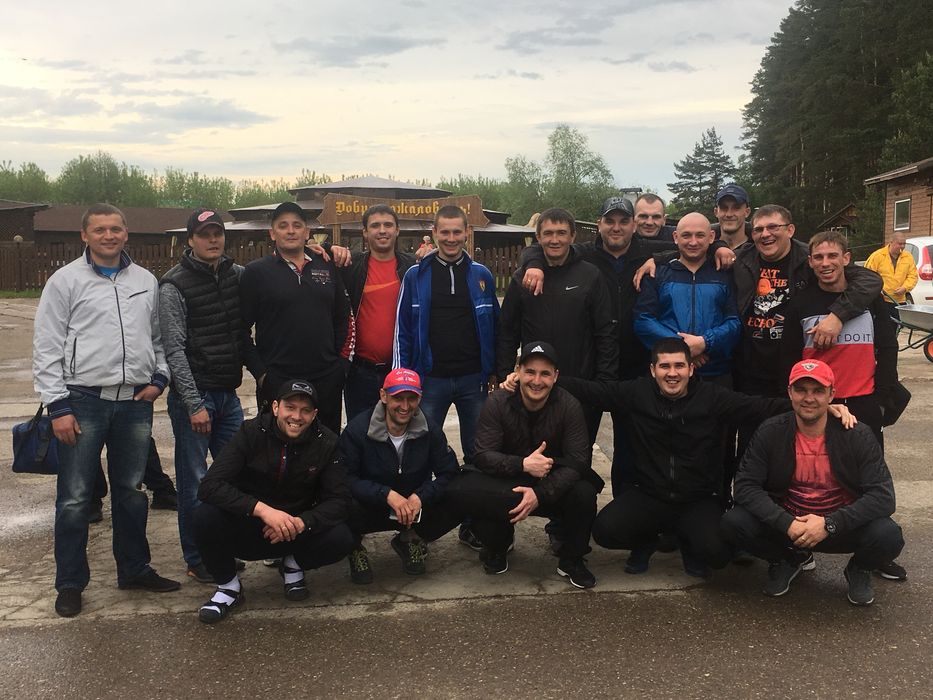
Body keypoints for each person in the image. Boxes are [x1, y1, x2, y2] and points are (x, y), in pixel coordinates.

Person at [33, 203, 179, 618]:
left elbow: (158, 337)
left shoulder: (145, 281)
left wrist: (159, 378)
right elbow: (46, 345)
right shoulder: (65, 281)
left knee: (131, 491)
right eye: (99, 230)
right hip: (82, 401)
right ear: (84, 235)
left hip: (134, 403)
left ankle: (134, 569)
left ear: (126, 233)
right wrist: (57, 406)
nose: (109, 236)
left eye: (115, 229)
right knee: (75, 498)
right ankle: (70, 583)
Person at [556, 337, 806, 579]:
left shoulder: (712, 397)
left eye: (679, 366)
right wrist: (545, 380)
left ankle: (689, 543)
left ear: (691, 369)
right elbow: (591, 391)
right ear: (653, 370)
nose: (672, 373)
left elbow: (760, 407)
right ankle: (646, 541)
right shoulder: (636, 392)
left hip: (698, 499)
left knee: (717, 555)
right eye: (665, 366)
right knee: (605, 531)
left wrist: (812, 407)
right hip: (649, 495)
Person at [721, 359, 904, 606]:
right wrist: (785, 523)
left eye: (818, 390)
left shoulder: (857, 434)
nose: (809, 398)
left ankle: (859, 569)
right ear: (790, 392)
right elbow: (745, 486)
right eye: (801, 390)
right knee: (734, 522)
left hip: (838, 527)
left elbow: (883, 497)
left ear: (832, 394)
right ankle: (787, 559)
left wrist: (829, 523)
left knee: (888, 535)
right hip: (789, 526)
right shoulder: (771, 431)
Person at [194, 380, 354, 623]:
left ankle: (293, 565)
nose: (296, 417)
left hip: (295, 532)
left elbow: (339, 500)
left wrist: (301, 523)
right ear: (276, 407)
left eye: (305, 410)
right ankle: (228, 587)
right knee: (204, 515)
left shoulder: (327, 442)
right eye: (290, 407)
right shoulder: (250, 432)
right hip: (251, 526)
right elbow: (210, 486)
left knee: (342, 536)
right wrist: (262, 511)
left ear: (314, 415)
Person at [447, 342, 601, 589]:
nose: (537, 381)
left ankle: (572, 559)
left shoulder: (569, 405)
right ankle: (497, 546)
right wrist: (522, 464)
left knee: (584, 492)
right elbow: (482, 455)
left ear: (555, 376)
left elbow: (579, 462)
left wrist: (540, 493)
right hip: (509, 481)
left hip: (551, 483)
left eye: (545, 373)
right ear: (517, 371)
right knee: (466, 489)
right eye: (530, 372)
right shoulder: (498, 401)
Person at [159, 207, 249, 583]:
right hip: (195, 399)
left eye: (218, 233)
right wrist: (193, 403)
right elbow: (174, 348)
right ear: (191, 240)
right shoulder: (174, 285)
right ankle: (197, 558)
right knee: (195, 483)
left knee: (235, 476)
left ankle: (223, 548)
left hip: (228, 395)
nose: (213, 240)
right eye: (205, 234)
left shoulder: (236, 274)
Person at [497, 206, 618, 442]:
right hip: (534, 385)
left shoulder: (590, 275)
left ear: (572, 236)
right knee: (533, 453)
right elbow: (507, 331)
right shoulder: (522, 278)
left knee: (577, 454)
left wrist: (605, 380)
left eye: (561, 233)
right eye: (548, 233)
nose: (555, 240)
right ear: (538, 237)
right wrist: (504, 374)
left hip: (580, 385)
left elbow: (605, 331)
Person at [393, 204, 500, 464]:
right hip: (430, 379)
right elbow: (402, 330)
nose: (451, 239)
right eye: (445, 232)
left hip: (474, 379)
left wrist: (496, 370)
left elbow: (496, 327)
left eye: (456, 232)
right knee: (422, 448)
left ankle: (472, 489)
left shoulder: (481, 275)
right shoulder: (415, 275)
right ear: (434, 232)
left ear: (466, 232)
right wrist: (401, 376)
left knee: (478, 451)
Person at [339, 368, 462, 583]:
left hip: (411, 507)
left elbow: (449, 473)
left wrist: (420, 497)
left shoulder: (430, 430)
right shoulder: (357, 430)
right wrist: (385, 494)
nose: (405, 406)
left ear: (420, 398)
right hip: (370, 504)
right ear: (383, 396)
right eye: (398, 398)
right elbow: (345, 478)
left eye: (411, 398)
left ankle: (410, 538)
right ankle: (354, 546)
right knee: (337, 502)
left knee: (460, 494)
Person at [240, 201, 353, 432]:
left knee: (325, 445)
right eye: (283, 226)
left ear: (307, 232)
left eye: (297, 225)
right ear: (272, 233)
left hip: (325, 379)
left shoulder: (327, 265)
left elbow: (344, 319)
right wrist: (261, 374)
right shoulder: (256, 272)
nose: (290, 231)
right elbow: (240, 329)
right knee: (274, 445)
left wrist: (340, 368)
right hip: (277, 379)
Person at [634, 212, 740, 385]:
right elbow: (643, 320)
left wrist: (705, 342)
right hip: (669, 373)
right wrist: (683, 347)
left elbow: (734, 321)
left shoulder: (724, 274)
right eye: (686, 235)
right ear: (675, 237)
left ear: (711, 237)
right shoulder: (657, 273)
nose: (693, 242)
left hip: (715, 373)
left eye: (700, 235)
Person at [339, 204, 415, 420]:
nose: (382, 230)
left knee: (401, 431)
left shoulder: (412, 268)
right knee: (360, 431)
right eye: (375, 226)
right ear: (365, 232)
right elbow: (315, 255)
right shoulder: (350, 266)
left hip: (401, 369)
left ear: (397, 230)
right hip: (360, 371)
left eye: (388, 225)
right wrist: (328, 247)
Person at [863, 233, 918, 309]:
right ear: (891, 242)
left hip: (900, 301)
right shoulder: (877, 256)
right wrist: (878, 290)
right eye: (900, 244)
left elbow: (913, 276)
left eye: (904, 244)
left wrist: (905, 288)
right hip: (880, 300)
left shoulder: (908, 257)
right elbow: (867, 276)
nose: (902, 246)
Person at [710, 183, 753, 249]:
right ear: (716, 212)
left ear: (747, 212)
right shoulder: (704, 249)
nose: (729, 214)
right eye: (724, 208)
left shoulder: (760, 250)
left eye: (736, 208)